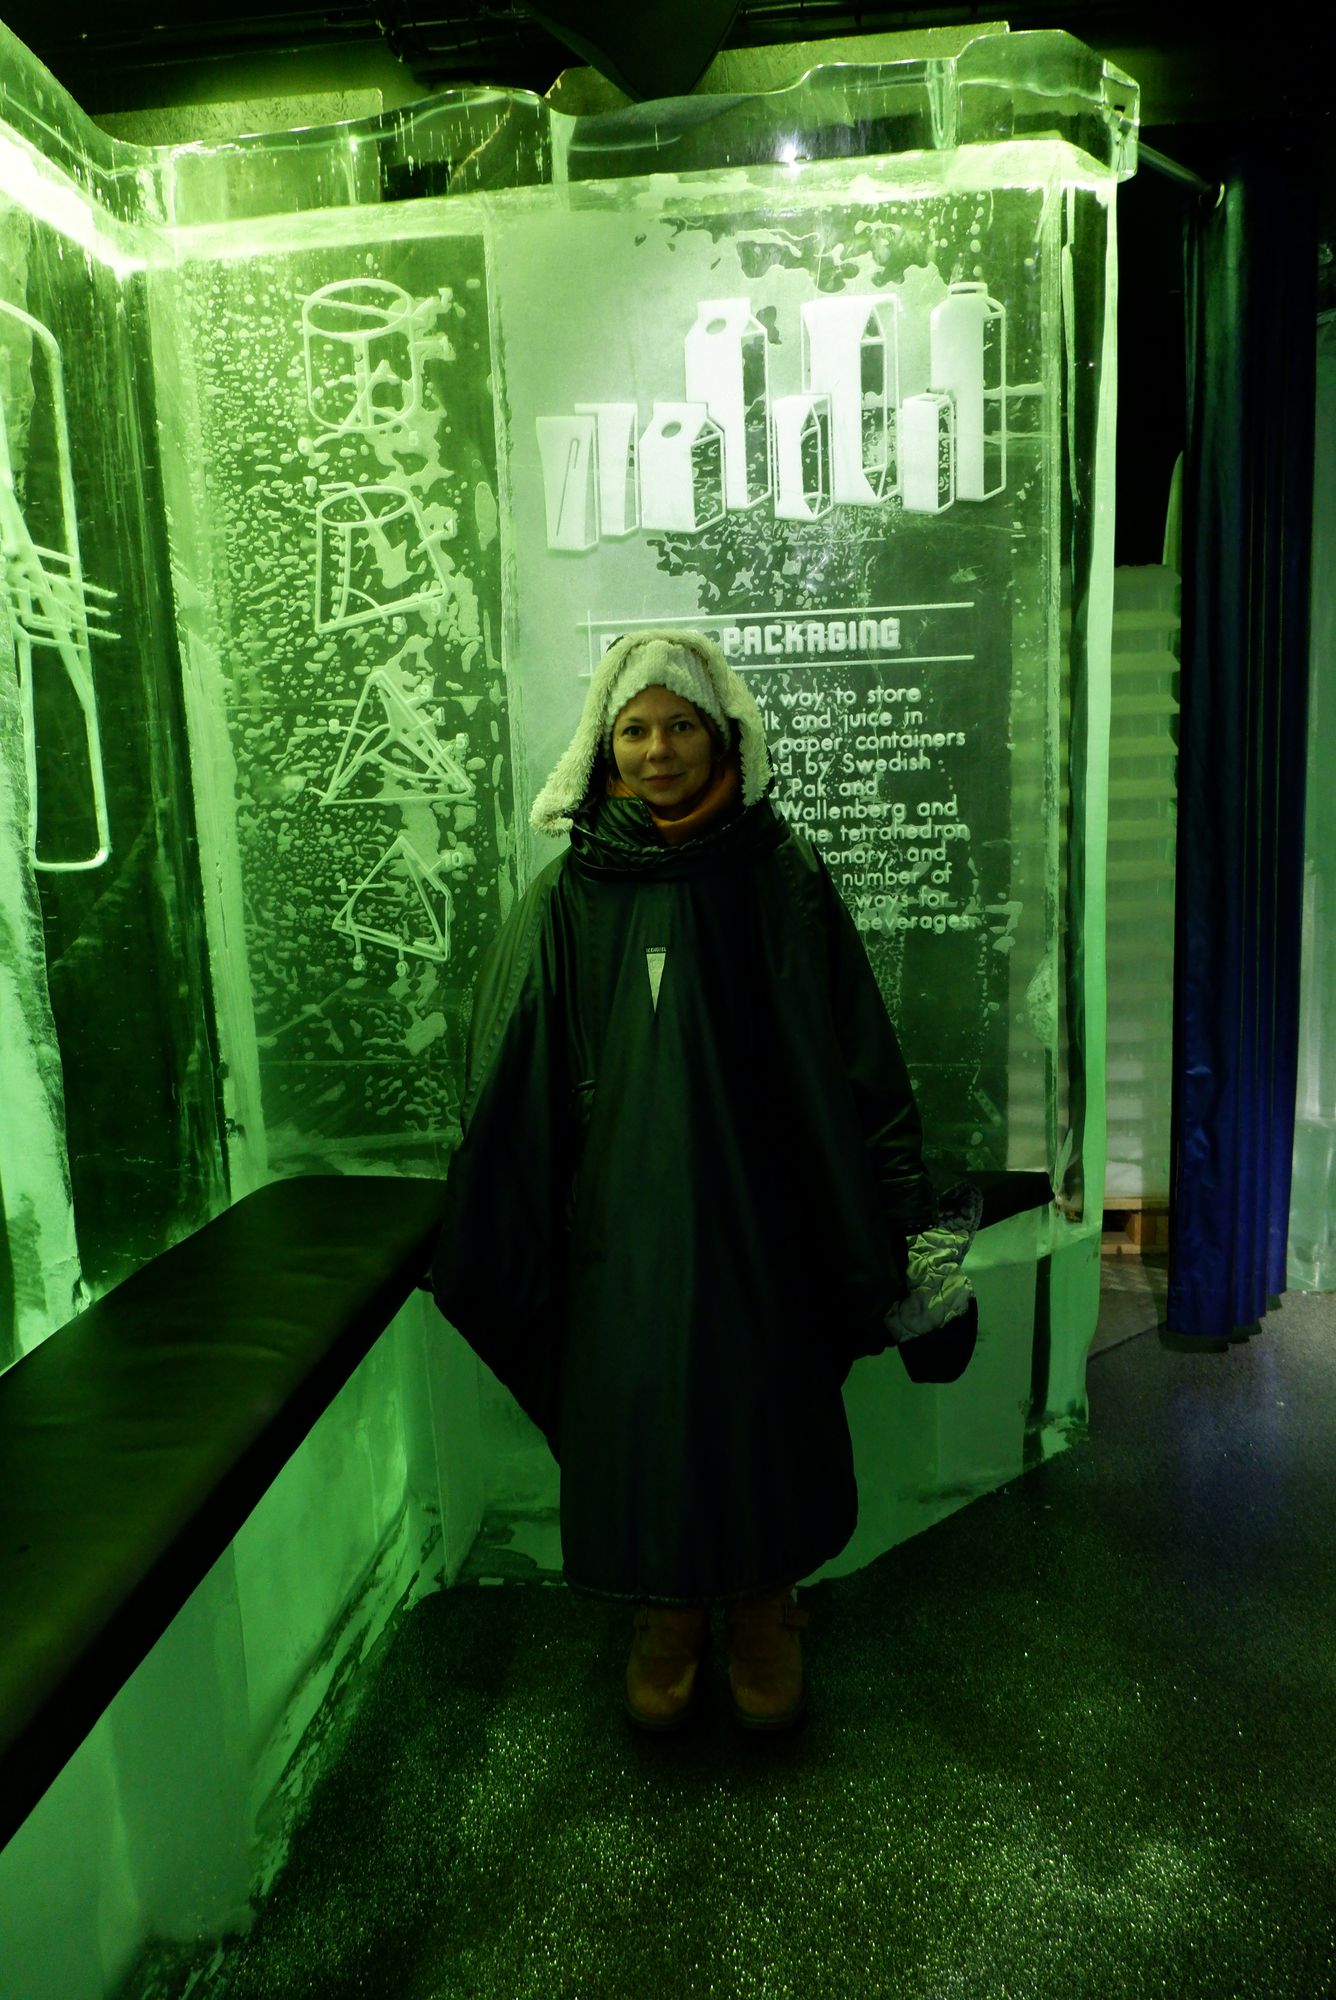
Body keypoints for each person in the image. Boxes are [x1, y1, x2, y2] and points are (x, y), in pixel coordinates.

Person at [430, 629, 978, 1737]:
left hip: (767, 1220)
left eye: (680, 725)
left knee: (764, 1404)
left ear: (723, 736)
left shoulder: (784, 877)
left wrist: (902, 1217)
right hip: (620, 1227)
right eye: (635, 729)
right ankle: (666, 1612)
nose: (659, 750)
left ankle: (767, 1606)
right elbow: (513, 1075)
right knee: (644, 1416)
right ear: (604, 747)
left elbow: (857, 1055)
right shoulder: (567, 898)